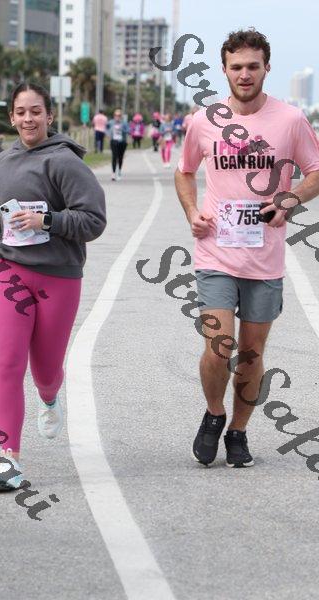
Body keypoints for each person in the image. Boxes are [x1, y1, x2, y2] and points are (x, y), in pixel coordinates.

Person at [175, 28, 319, 468]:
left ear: (266, 68)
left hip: (265, 258)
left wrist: (289, 199)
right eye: (236, 67)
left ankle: (238, 431)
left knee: (252, 355)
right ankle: (214, 414)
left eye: (252, 66)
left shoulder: (290, 120)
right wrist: (192, 210)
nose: (244, 74)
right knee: (219, 346)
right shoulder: (204, 120)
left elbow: (315, 171)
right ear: (224, 70)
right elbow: (184, 171)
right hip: (216, 253)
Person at [0, 82, 106, 492]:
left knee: (45, 370)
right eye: (21, 112)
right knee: (7, 364)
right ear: (11, 117)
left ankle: (49, 397)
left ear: (49, 115)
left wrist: (48, 221)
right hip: (7, 270)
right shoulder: (0, 162)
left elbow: (93, 221)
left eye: (36, 111)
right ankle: (8, 460)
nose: (28, 119)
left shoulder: (65, 162)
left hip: (57, 275)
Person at [107, 108, 129, 181]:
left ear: (121, 116)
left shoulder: (124, 123)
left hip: (122, 142)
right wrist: (108, 134)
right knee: (114, 157)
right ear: (114, 116)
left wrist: (122, 129)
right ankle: (113, 173)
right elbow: (106, 128)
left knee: (120, 157)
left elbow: (128, 130)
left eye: (119, 115)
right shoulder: (111, 122)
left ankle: (119, 171)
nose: (117, 117)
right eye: (116, 115)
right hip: (113, 141)